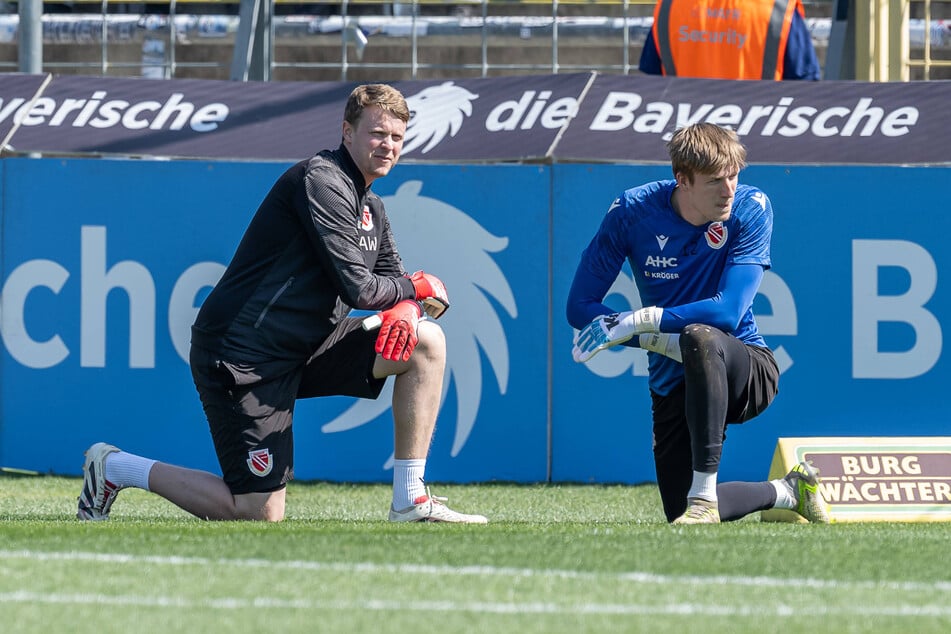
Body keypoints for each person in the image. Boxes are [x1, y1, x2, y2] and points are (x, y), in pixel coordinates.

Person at [77, 83, 487, 524]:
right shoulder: (321, 181)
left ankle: (410, 498)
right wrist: (415, 288)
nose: (387, 145)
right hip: (243, 354)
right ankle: (115, 468)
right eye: (376, 133)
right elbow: (361, 290)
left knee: (425, 341)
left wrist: (408, 303)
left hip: (309, 346)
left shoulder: (373, 207)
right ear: (347, 132)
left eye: (396, 138)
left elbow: (391, 281)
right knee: (258, 511)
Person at [566, 122, 830, 525]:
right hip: (672, 379)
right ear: (682, 180)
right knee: (678, 511)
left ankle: (706, 499)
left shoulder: (750, 207)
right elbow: (580, 307)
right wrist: (651, 340)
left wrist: (642, 321)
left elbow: (727, 312)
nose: (728, 190)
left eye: (733, 176)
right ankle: (788, 490)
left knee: (701, 337)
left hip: (746, 366)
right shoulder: (632, 212)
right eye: (714, 182)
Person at [638, 0, 821, 80]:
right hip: (760, 136)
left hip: (686, 141)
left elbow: (651, 77)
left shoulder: (672, 5)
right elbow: (804, 80)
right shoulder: (776, 7)